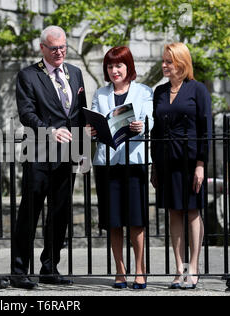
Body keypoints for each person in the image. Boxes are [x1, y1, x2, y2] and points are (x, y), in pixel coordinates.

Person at [11, 26, 87, 289]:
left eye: (63, 47)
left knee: (60, 213)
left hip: (67, 155)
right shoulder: (28, 76)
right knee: (29, 214)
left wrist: (85, 138)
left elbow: (79, 113)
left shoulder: (75, 73)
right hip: (39, 154)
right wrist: (50, 131)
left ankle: (49, 268)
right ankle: (19, 270)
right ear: (42, 48)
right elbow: (26, 113)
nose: (59, 52)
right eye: (54, 48)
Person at [86, 46, 153, 290]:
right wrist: (90, 130)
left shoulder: (144, 92)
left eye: (119, 66)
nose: (114, 70)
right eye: (110, 66)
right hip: (108, 163)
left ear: (128, 68)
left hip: (133, 162)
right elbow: (93, 121)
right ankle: (119, 270)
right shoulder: (101, 94)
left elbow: (150, 122)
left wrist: (141, 126)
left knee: (136, 219)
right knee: (114, 220)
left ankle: (140, 269)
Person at [150, 43, 212, 290]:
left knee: (193, 211)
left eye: (169, 61)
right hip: (166, 161)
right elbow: (155, 131)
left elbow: (205, 128)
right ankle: (179, 268)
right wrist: (154, 165)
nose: (164, 65)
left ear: (182, 63)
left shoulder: (198, 90)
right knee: (174, 212)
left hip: (189, 161)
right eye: (163, 61)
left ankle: (194, 268)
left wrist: (201, 164)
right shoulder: (160, 92)